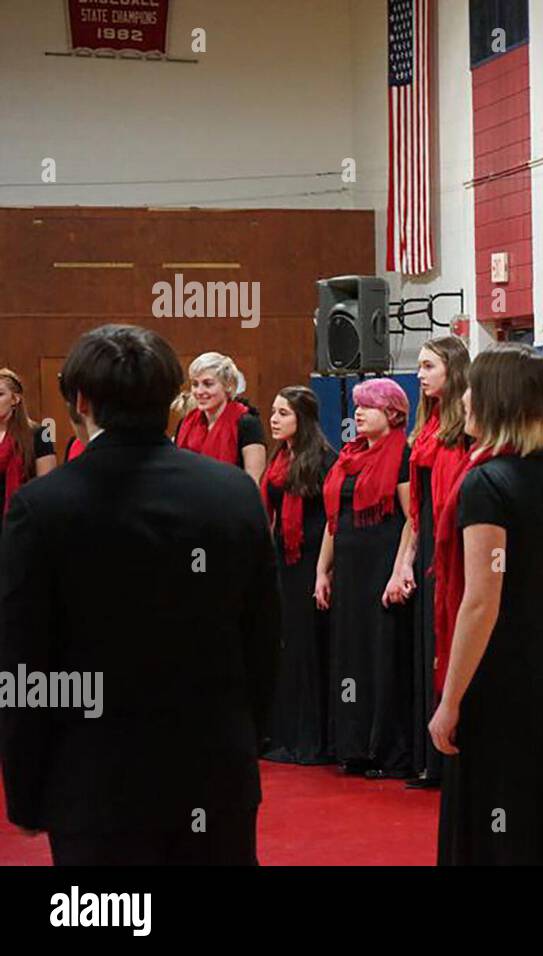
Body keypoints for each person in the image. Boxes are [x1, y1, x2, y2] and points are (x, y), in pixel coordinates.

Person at [0, 324, 279, 865]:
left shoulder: (42, 508)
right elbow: (264, 639)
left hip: (93, 785)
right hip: (214, 771)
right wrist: (247, 743)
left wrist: (27, 790)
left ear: (81, 400)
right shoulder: (233, 495)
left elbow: (23, 661)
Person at [431, 344, 543, 866]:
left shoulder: (485, 483)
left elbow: (481, 600)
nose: (465, 397)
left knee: (496, 829)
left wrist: (451, 699)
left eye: (475, 387)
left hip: (496, 680)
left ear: (497, 399)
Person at [315, 378, 415, 778]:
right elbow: (333, 519)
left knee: (380, 652)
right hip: (350, 568)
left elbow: (414, 519)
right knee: (351, 653)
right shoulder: (347, 456)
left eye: (368, 406)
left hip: (381, 565)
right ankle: (353, 744)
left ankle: (384, 749)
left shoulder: (403, 456)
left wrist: (398, 570)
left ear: (392, 413)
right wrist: (323, 569)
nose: (358, 413)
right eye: (357, 406)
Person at [385, 336, 472, 789]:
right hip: (427, 555)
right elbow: (415, 515)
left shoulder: (465, 433)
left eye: (428, 366)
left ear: (453, 370)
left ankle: (448, 757)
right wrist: (403, 565)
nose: (419, 374)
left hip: (455, 554)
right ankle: (427, 758)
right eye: (419, 366)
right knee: (426, 651)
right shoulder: (425, 430)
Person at [262, 386, 338, 765]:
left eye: (283, 414)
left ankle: (312, 738)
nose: (274, 420)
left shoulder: (323, 459)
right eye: (274, 412)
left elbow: (331, 519)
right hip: (283, 559)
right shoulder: (279, 458)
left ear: (302, 419)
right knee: (286, 645)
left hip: (310, 559)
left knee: (309, 647)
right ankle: (284, 733)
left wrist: (324, 570)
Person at [174, 352, 267, 483]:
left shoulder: (247, 423)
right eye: (195, 384)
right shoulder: (185, 423)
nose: (199, 391)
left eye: (208, 384)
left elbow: (254, 483)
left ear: (228, 385)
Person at [0, 369, 57, 530]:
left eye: (0, 394)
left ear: (15, 399)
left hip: (23, 520)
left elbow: (47, 485)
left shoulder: (40, 433)